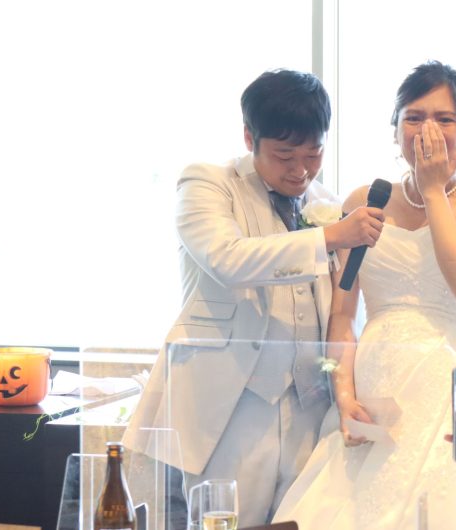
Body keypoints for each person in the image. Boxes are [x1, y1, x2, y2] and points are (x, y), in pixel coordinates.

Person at [122, 69, 385, 527]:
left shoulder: (325, 202)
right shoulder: (207, 183)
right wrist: (329, 236)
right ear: (249, 137)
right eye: (284, 155)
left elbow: (341, 308)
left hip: (310, 407)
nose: (300, 170)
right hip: (229, 408)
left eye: (314, 153)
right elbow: (227, 258)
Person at [272, 60, 456, 529]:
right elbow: (342, 316)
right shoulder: (366, 201)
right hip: (379, 393)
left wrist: (434, 190)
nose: (428, 130)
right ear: (396, 128)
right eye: (414, 117)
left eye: (445, 119)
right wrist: (344, 396)